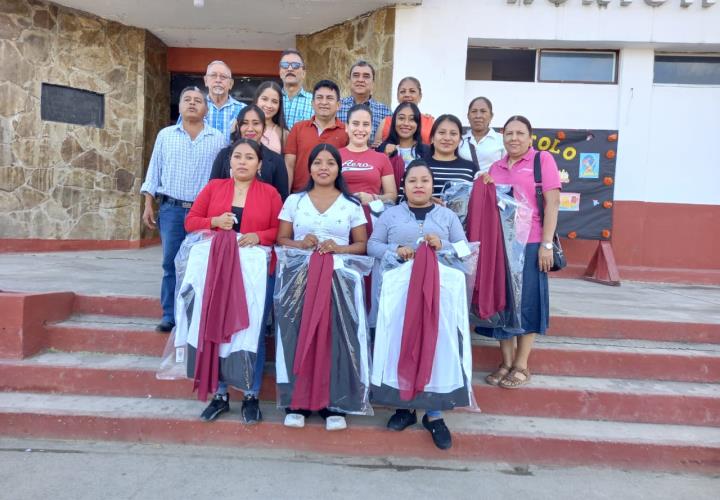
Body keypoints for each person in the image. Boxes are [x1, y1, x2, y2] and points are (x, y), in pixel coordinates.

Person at [367, 160, 470, 450]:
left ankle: (434, 414)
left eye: (424, 180)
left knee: (435, 348)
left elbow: (465, 249)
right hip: (400, 296)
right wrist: (395, 250)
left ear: (432, 184)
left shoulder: (447, 217)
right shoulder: (390, 216)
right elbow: (371, 246)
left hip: (438, 298)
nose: (419, 185)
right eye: (412, 180)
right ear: (403, 186)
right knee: (403, 344)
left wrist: (444, 246)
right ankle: (405, 407)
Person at [184, 138, 282, 424]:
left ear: (259, 164)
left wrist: (260, 236)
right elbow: (190, 221)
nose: (242, 161)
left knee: (251, 330)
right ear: (229, 161)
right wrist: (213, 221)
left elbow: (281, 228)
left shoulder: (271, 193)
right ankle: (220, 394)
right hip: (217, 270)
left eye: (249, 157)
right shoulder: (214, 187)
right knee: (215, 326)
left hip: (254, 273)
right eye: (237, 156)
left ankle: (251, 394)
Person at [276, 143, 368, 431]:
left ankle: (334, 403)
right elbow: (281, 238)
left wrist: (340, 247)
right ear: (310, 167)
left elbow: (361, 245)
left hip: (338, 279)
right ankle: (297, 402)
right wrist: (300, 243)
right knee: (297, 335)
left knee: (336, 338)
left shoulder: (351, 205)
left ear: (339, 168)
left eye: (330, 162)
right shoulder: (295, 201)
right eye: (318, 162)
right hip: (298, 278)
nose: (324, 167)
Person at [480, 115, 561, 389]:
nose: (514, 138)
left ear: (530, 137)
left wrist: (546, 244)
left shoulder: (542, 161)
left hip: (532, 243)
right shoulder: (496, 166)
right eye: (509, 133)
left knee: (527, 303)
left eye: (520, 133)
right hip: (502, 246)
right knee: (504, 304)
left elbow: (552, 205)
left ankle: (521, 365)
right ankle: (505, 362)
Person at [141, 86, 225, 332]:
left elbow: (221, 179)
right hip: (172, 210)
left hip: (203, 213)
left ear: (206, 109)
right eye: (186, 99)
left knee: (200, 264)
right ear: (179, 106)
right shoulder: (165, 135)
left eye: (198, 100)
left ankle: (197, 312)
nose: (192, 103)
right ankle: (169, 314)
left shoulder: (218, 139)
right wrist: (148, 202)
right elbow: (153, 170)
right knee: (170, 262)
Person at [210, 105, 289, 200]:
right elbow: (212, 189)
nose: (250, 128)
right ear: (238, 127)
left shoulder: (276, 160)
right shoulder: (224, 155)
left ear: (264, 128)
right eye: (245, 123)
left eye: (256, 123)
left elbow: (282, 198)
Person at [285, 80, 348, 193]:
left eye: (329, 98)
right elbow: (289, 165)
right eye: (319, 97)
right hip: (300, 195)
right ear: (312, 103)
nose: (324, 102)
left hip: (335, 197)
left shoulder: (346, 132)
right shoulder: (298, 128)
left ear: (338, 105)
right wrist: (286, 195)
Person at [340, 104, 397, 214]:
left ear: (371, 128)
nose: (360, 129)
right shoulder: (334, 156)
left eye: (365, 124)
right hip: (339, 218)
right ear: (347, 127)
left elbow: (392, 196)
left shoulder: (382, 158)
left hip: (371, 218)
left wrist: (373, 198)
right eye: (355, 124)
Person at [177, 60, 246, 144]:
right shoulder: (193, 107)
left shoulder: (243, 110)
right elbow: (179, 136)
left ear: (231, 84)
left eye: (223, 77)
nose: (218, 80)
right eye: (213, 75)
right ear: (206, 81)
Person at [376, 102, 431, 194]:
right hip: (388, 205)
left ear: (418, 124)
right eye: (401, 118)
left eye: (412, 119)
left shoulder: (427, 151)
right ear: (394, 121)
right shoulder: (382, 149)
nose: (406, 123)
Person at [337, 60, 391, 145]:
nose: (360, 80)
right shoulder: (337, 107)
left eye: (366, 76)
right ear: (349, 81)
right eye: (356, 75)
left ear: (373, 83)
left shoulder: (385, 112)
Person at [425, 114, 478, 198]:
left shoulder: (470, 168)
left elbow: (477, 201)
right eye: (442, 132)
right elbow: (402, 199)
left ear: (460, 140)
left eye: (453, 134)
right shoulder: (418, 166)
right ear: (432, 138)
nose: (447, 138)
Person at [378, 77, 434, 145]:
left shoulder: (430, 122)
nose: (407, 95)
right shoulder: (385, 122)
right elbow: (376, 150)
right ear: (397, 96)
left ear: (420, 96)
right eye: (403, 91)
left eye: (412, 91)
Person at [458, 97, 505, 173]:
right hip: (465, 184)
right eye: (474, 111)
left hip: (492, 184)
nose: (478, 116)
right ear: (468, 116)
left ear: (491, 116)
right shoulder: (460, 140)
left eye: (483, 111)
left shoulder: (502, 140)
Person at [279, 49, 313, 130]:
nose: (290, 69)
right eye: (284, 65)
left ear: (304, 73)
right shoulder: (272, 101)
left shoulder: (315, 102)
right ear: (280, 72)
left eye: (295, 65)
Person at [254, 81, 288, 154]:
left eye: (274, 101)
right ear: (257, 100)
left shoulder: (283, 134)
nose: (269, 105)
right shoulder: (242, 124)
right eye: (264, 99)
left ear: (279, 105)